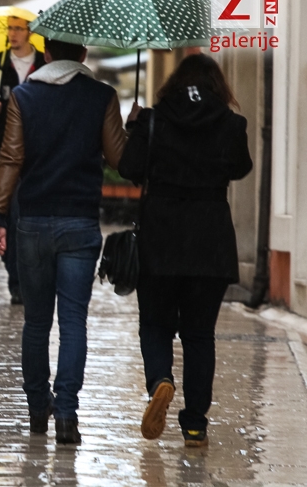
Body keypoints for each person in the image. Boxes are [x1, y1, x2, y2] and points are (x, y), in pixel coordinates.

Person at [0, 39, 131, 444]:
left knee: (36, 322)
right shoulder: (102, 96)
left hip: (32, 221)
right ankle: (66, 413)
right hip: (80, 223)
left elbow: (10, 158)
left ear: (46, 54)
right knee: (73, 322)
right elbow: (120, 159)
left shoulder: (24, 96)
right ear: (82, 54)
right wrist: (133, 127)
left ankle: (38, 409)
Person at [118, 54, 253, 447]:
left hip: (160, 238)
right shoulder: (231, 123)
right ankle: (195, 424)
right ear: (217, 86)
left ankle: (160, 379)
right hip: (211, 243)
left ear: (173, 83)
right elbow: (240, 168)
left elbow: (129, 169)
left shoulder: (153, 120)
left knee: (155, 324)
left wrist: (135, 127)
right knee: (199, 335)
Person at [0, 16, 46, 304]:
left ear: (30, 31)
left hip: (34, 155)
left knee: (26, 216)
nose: (13, 33)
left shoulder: (43, 65)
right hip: (0, 154)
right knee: (10, 216)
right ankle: (16, 278)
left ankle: (26, 278)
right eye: (10, 28)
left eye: (19, 28)